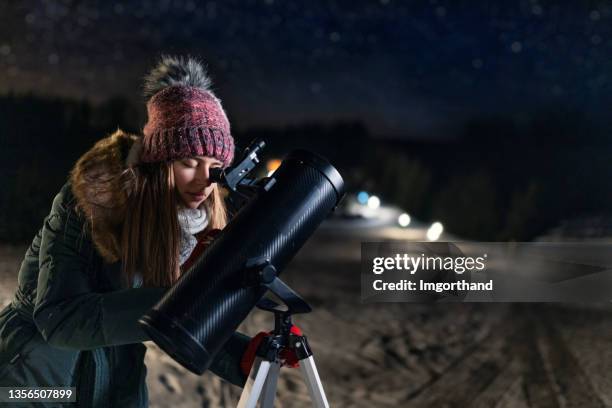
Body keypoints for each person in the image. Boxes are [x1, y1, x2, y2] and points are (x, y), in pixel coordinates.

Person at [0, 56, 251, 407]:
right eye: (188, 163)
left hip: (117, 377)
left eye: (214, 167)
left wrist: (243, 354)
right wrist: (172, 302)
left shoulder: (194, 222)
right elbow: (60, 319)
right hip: (37, 374)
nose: (202, 181)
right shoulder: (92, 202)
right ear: (158, 161)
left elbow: (177, 316)